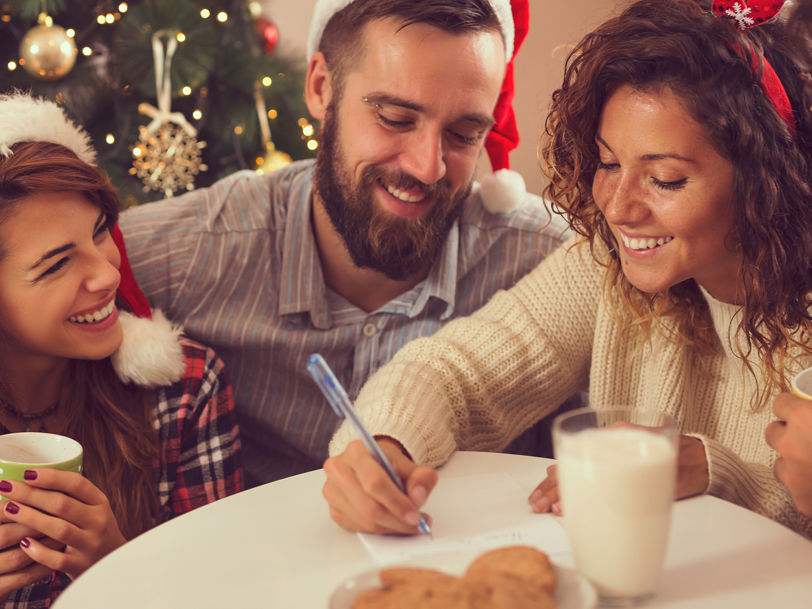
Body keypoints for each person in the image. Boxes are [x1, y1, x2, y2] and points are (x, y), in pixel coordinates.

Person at [322, 0, 812, 539]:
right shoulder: (604, 268)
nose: (619, 207)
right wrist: (386, 445)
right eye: (608, 163)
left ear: (767, 183)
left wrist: (721, 476)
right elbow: (453, 372)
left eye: (666, 179)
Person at [119, 0, 571, 487]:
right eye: (396, 118)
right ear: (320, 88)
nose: (427, 167)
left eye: (464, 134)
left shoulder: (549, 260)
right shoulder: (199, 246)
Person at [0, 93, 243, 607]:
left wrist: (115, 564)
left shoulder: (183, 391)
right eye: (56, 264)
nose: (109, 274)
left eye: (100, 232)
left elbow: (226, 591)